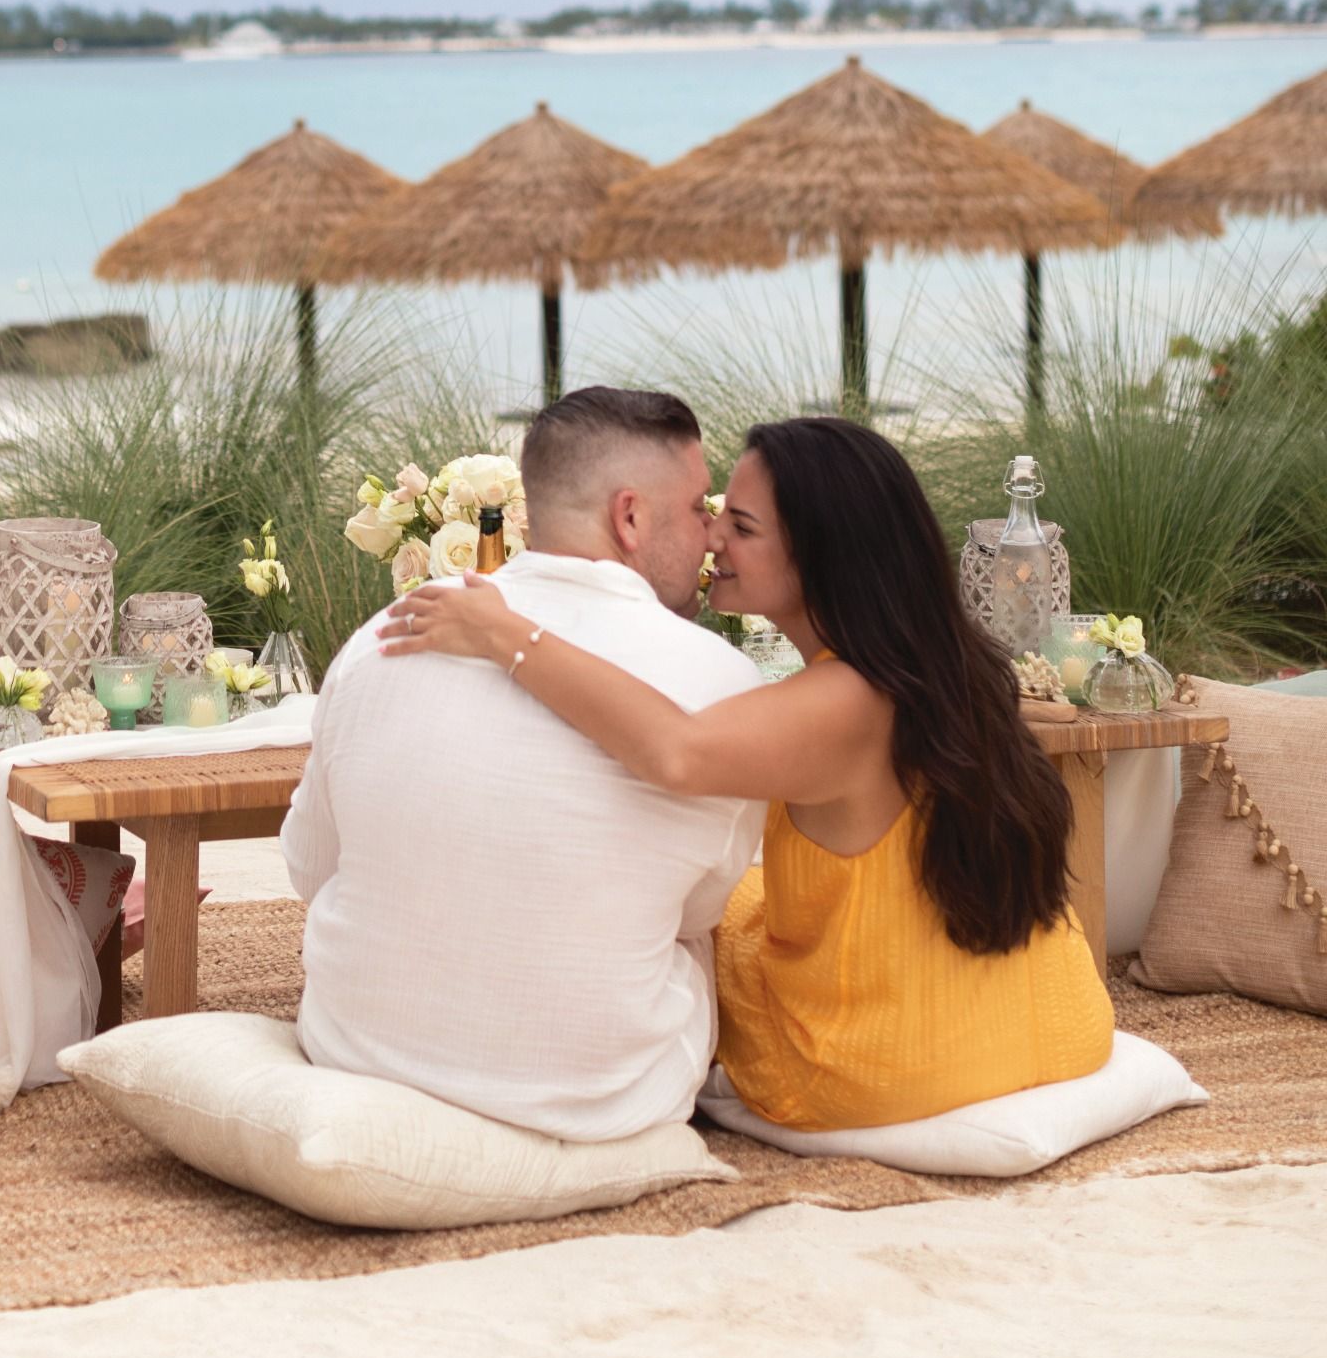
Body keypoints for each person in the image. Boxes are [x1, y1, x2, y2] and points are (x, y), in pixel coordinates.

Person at [380, 411, 1115, 1131]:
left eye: (743, 526)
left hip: (882, 1064)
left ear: (821, 555)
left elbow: (675, 752)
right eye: (716, 513)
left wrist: (507, 634)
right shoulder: (942, 666)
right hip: (1057, 1020)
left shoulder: (850, 701)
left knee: (692, 922)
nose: (711, 537)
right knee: (744, 893)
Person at [281, 385, 763, 1140]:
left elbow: (311, 870)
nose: (710, 534)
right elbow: (703, 911)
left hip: (358, 1053)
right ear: (630, 517)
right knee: (697, 925)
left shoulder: (387, 632)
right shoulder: (723, 681)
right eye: (700, 507)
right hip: (598, 1099)